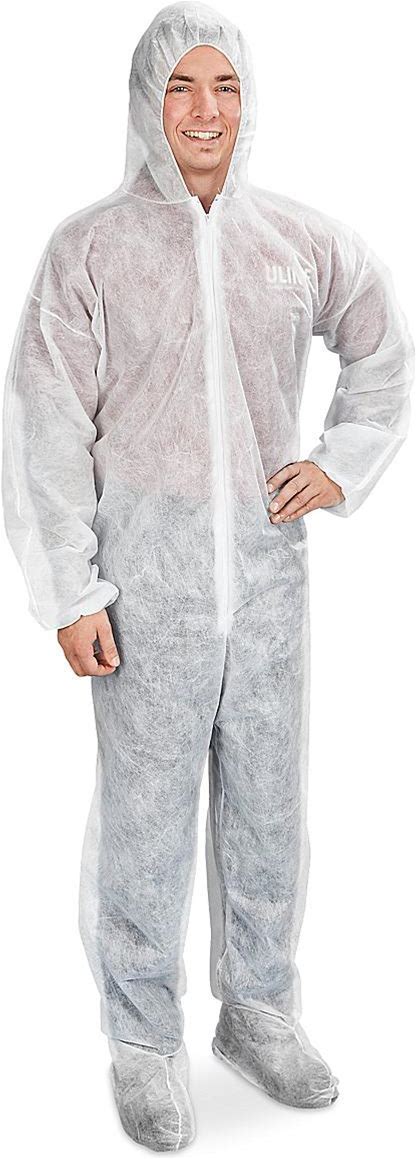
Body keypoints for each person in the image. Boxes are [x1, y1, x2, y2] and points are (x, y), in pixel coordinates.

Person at [2, 1, 414, 1151]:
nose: (203, 109)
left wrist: (340, 461)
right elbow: (43, 429)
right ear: (147, 99)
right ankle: (142, 1038)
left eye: (223, 86)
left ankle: (258, 1010)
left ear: (246, 102)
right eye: (181, 85)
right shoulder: (88, 248)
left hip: (269, 584)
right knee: (144, 817)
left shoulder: (293, 238)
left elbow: (381, 351)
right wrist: (72, 591)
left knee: (268, 806)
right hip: (147, 587)